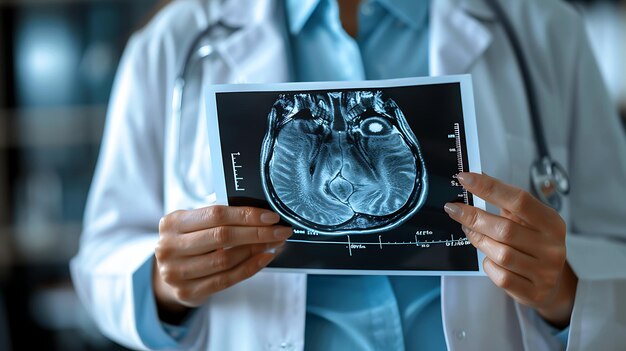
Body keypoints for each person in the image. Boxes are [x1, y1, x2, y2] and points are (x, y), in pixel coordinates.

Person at [70, 0, 626, 350]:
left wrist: (565, 287)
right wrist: (165, 286)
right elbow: (103, 258)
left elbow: (616, 243)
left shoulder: (544, 29)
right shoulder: (174, 42)